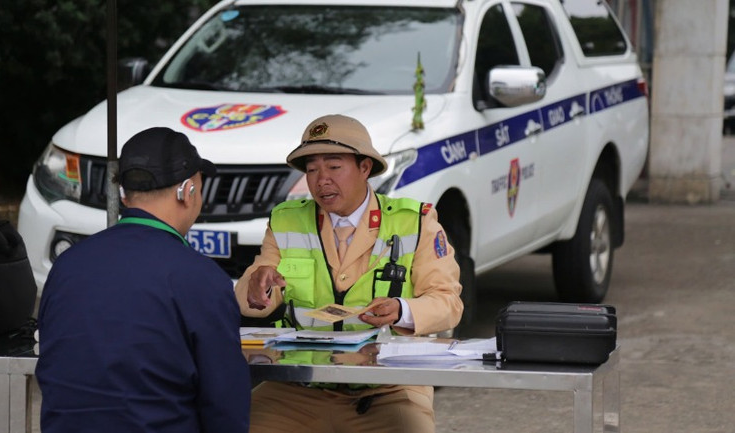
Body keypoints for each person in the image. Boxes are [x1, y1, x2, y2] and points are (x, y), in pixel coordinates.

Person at [235, 114, 464, 433]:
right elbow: (255, 293)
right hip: (299, 388)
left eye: (333, 166)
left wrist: (402, 310)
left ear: (364, 167)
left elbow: (447, 303)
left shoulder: (415, 222)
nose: (321, 179)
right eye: (312, 169)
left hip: (386, 390)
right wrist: (257, 286)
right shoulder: (286, 221)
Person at [36, 127, 250, 433]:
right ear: (187, 192)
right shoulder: (201, 278)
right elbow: (225, 407)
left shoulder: (66, 266)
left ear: (124, 193)